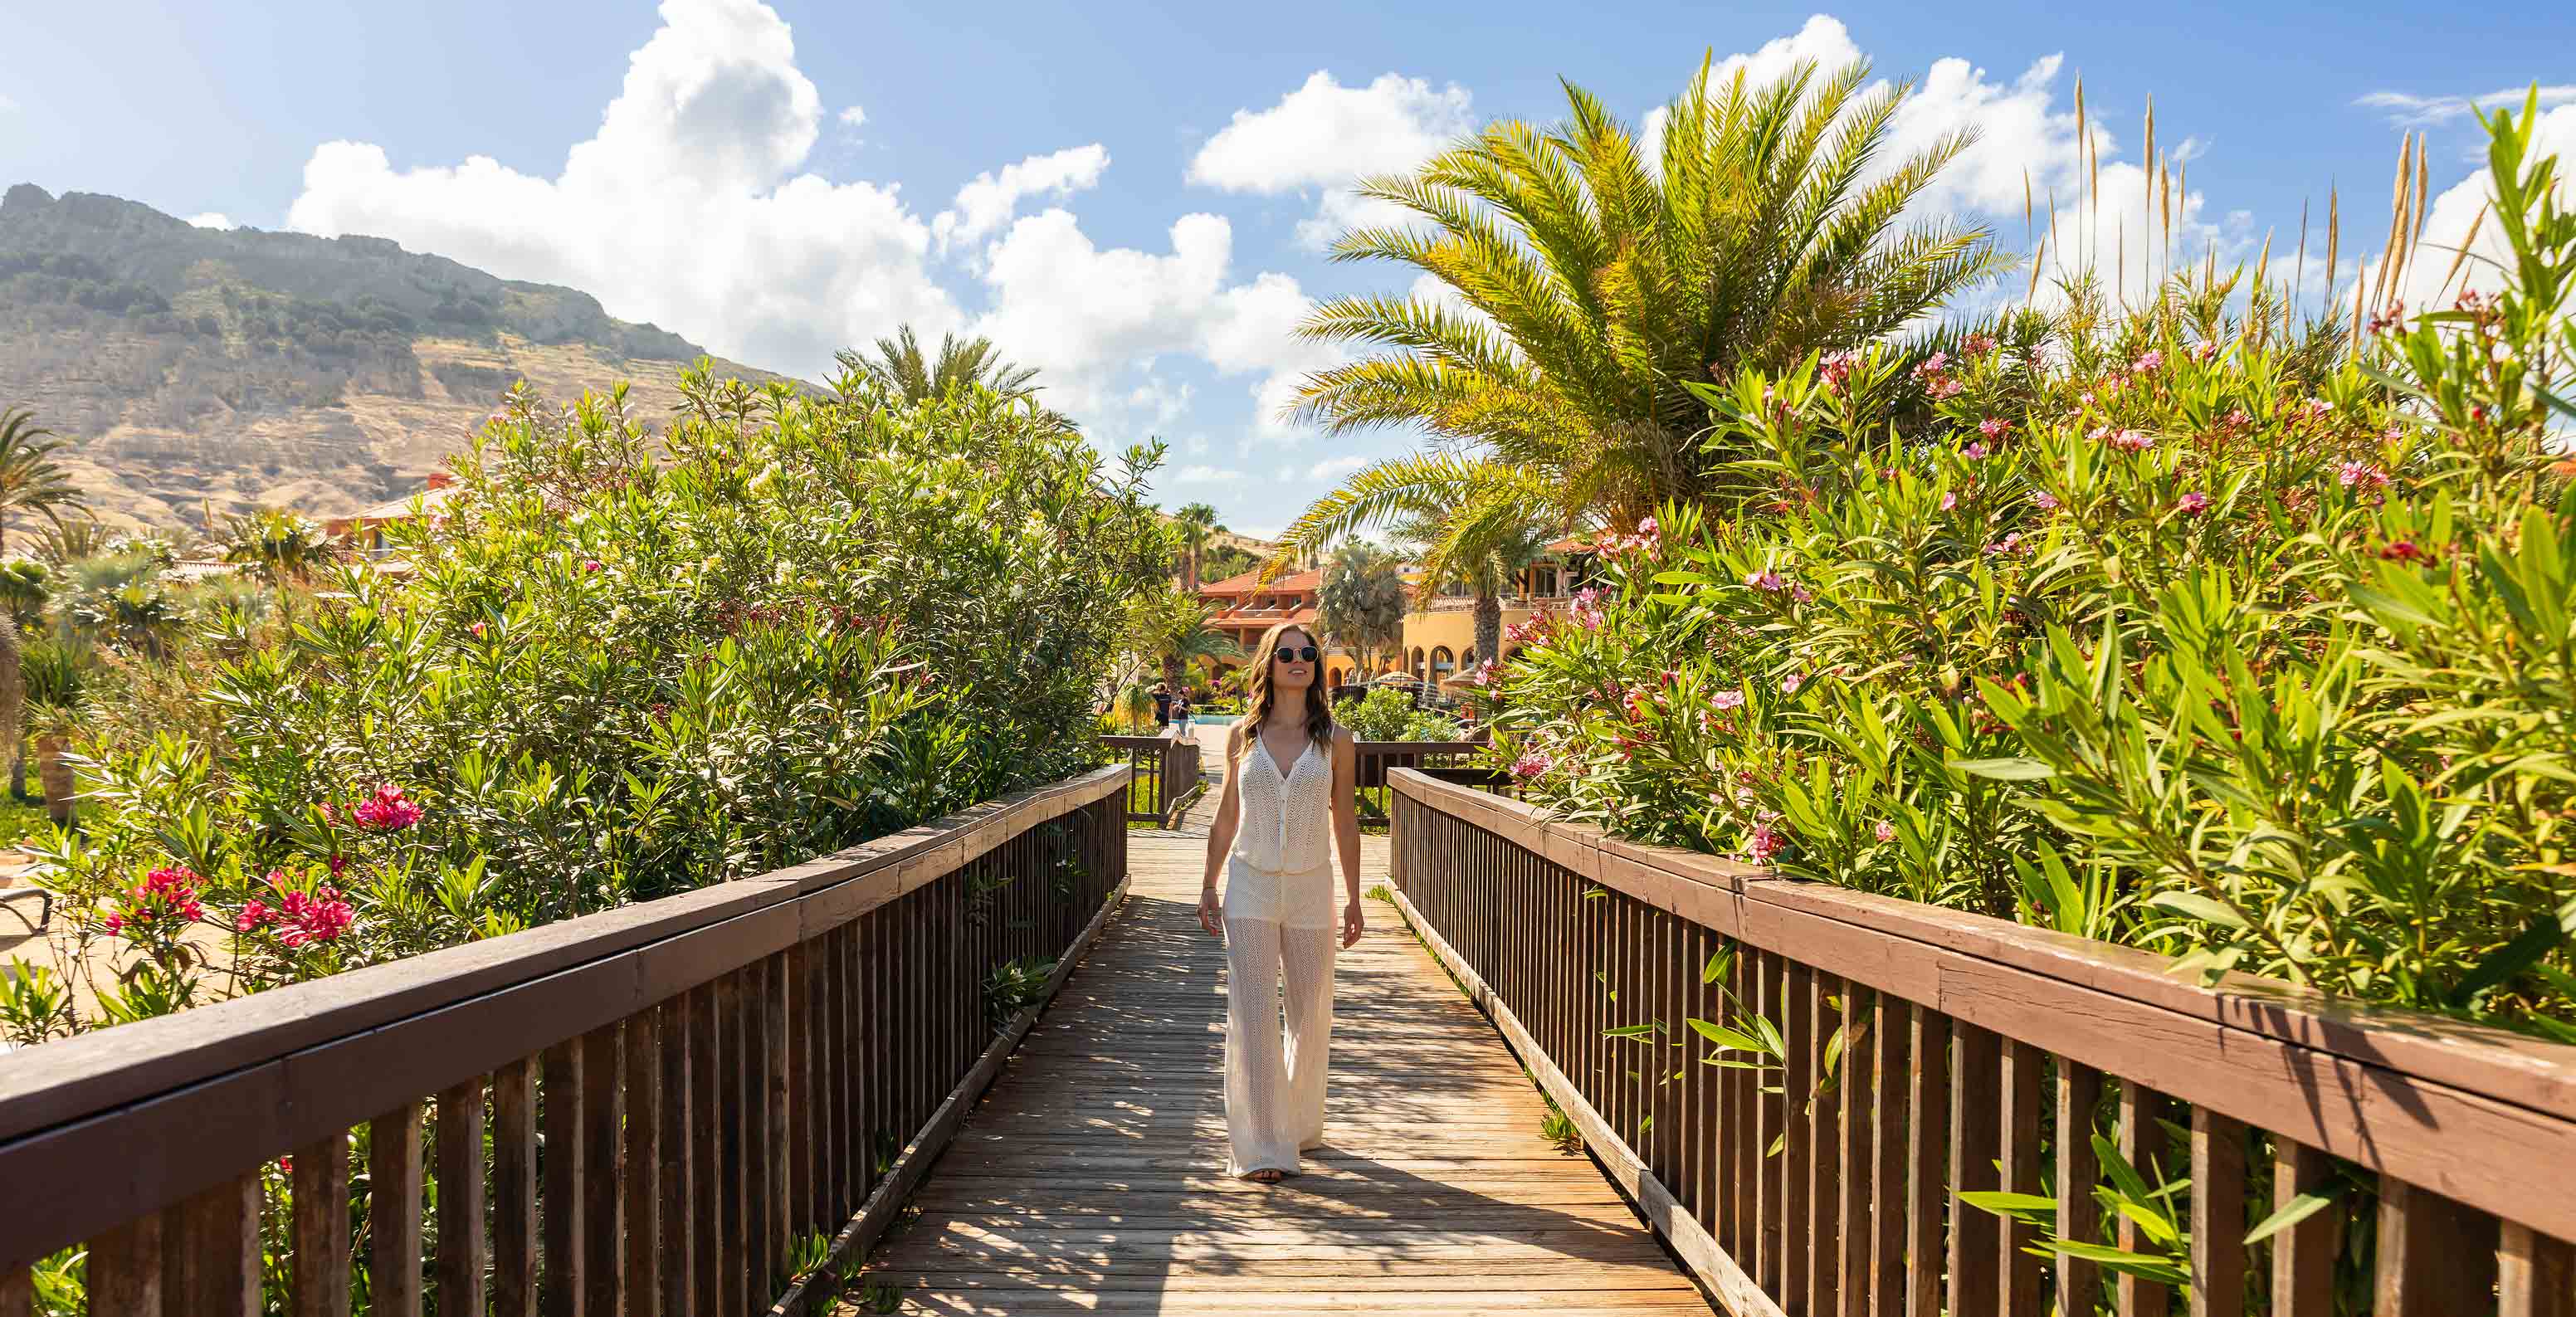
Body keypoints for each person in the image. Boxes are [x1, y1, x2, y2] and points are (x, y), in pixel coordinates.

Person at [1198, 622, 1364, 1183]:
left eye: (1308, 652)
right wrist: (1208, 883)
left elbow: (1346, 821)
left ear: (1317, 665)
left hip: (1312, 888)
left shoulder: (1336, 740)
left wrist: (1355, 897)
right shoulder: (1242, 736)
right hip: (1250, 885)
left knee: (1309, 1014)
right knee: (1252, 1012)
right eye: (1288, 652)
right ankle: (1265, 1143)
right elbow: (1226, 816)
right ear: (1268, 663)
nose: (1299, 659)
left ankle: (1297, 1122)